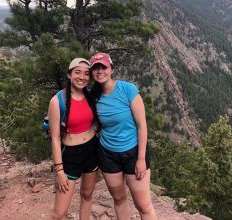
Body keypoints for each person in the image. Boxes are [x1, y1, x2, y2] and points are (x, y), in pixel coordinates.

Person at [89, 52, 157, 220]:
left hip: (133, 153)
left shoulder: (128, 89)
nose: (99, 71)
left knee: (143, 205)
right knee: (119, 199)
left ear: (111, 69)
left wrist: (141, 159)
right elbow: (95, 123)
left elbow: (142, 125)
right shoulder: (93, 97)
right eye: (95, 68)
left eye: (103, 67)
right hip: (107, 155)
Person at [48, 58, 99, 220]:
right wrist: (59, 171)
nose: (82, 77)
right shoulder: (57, 101)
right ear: (69, 75)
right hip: (70, 155)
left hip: (92, 151)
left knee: (87, 195)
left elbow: (96, 121)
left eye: (86, 74)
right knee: (59, 213)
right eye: (77, 72)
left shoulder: (90, 96)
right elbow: (55, 139)